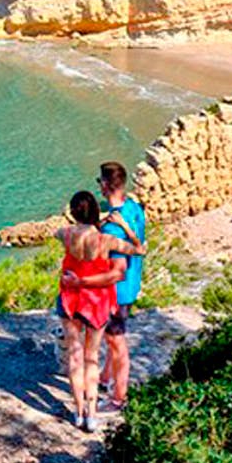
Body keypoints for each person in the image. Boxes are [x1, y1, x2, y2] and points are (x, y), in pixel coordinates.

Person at [55, 191, 144, 432]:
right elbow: (139, 250)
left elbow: (56, 231)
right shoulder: (106, 241)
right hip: (95, 302)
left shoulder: (65, 234)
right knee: (91, 358)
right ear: (96, 210)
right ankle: (92, 416)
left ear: (73, 213)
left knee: (75, 357)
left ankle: (79, 412)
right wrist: (124, 225)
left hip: (70, 298)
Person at [96, 161, 147, 413]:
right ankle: (104, 380)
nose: (99, 187)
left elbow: (117, 269)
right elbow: (138, 246)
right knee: (111, 338)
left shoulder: (113, 227)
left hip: (115, 293)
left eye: (99, 182)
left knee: (116, 342)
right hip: (131, 287)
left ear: (105, 185)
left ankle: (118, 397)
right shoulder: (134, 208)